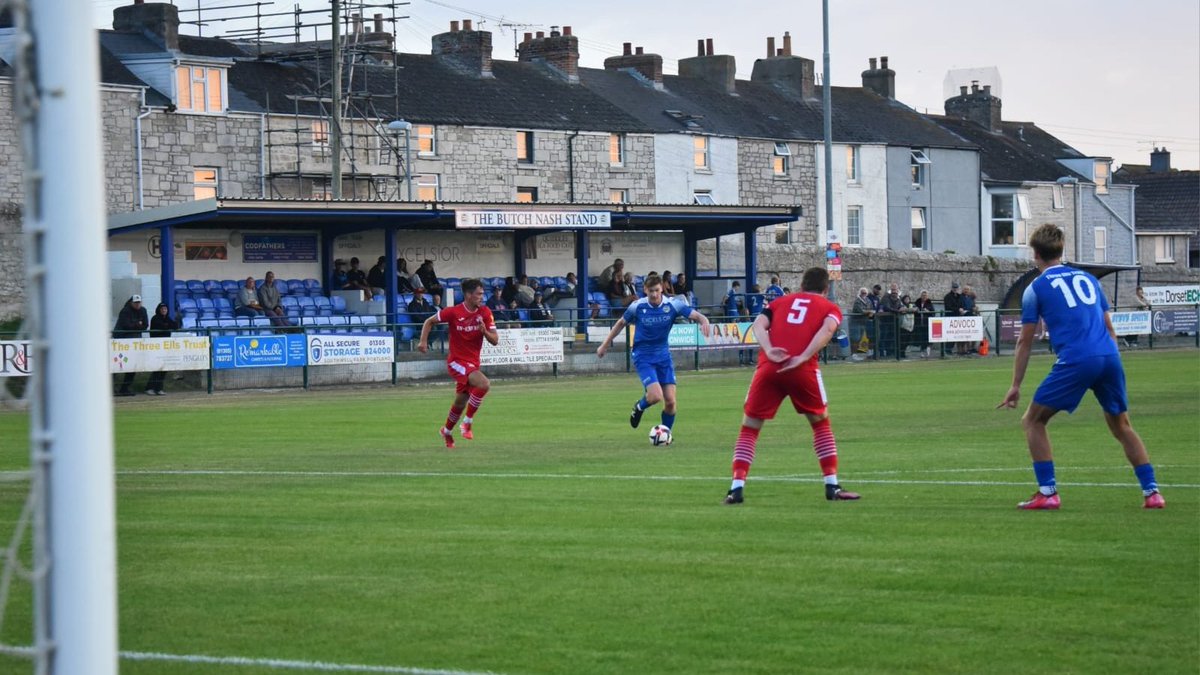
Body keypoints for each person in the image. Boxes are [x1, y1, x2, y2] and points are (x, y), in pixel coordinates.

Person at [997, 223, 1164, 510]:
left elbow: (1025, 341)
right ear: (1061, 250)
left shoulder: (1035, 288)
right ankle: (1152, 493)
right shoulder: (1089, 279)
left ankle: (1048, 493)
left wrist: (1015, 385)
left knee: (1033, 420)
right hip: (1109, 356)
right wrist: (1110, 362)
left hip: (1077, 359)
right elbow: (1109, 327)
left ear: (1035, 254)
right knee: (1122, 425)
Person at [722, 267, 860, 505]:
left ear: (801, 286)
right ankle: (832, 485)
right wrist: (804, 356)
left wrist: (769, 349)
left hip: (769, 367)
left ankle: (736, 489)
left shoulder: (779, 302)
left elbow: (758, 325)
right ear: (825, 289)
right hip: (802, 369)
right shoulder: (829, 307)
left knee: (750, 427)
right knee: (820, 423)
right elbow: (828, 329)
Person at [596, 273, 711, 437]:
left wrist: (704, 320)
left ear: (662, 289)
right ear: (645, 290)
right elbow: (621, 323)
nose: (654, 294)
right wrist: (604, 345)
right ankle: (639, 407)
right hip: (643, 356)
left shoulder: (672, 305)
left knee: (671, 402)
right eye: (651, 291)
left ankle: (666, 434)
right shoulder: (637, 306)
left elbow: (696, 315)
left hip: (663, 357)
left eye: (657, 290)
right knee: (656, 396)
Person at [418, 279, 499, 449]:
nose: (482, 297)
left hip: (473, 363)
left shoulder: (485, 312)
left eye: (482, 294)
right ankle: (467, 423)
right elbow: (429, 321)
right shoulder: (453, 312)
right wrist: (423, 341)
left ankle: (446, 431)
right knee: (484, 384)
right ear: (468, 295)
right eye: (478, 294)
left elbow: (495, 340)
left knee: (460, 402)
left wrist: (484, 332)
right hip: (457, 362)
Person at [113, 295, 149, 396]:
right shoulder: (125, 311)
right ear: (131, 303)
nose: (137, 304)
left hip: (134, 342)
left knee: (133, 365)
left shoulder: (143, 310)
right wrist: (138, 324)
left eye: (139, 302)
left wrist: (136, 325)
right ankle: (111, 387)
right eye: (135, 303)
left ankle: (125, 388)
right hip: (121, 342)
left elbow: (145, 325)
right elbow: (126, 325)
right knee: (117, 364)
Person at [145, 302, 178, 395]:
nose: (164, 310)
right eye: (162, 309)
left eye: (165, 309)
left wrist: (168, 325)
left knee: (164, 368)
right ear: (159, 310)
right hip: (156, 346)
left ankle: (159, 388)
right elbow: (161, 326)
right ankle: (150, 388)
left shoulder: (167, 318)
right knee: (157, 368)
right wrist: (167, 326)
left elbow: (175, 326)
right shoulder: (155, 318)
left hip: (165, 346)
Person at [943, 281, 967, 355]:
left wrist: (962, 309)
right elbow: (948, 307)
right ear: (952, 288)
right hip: (950, 318)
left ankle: (954, 350)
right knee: (950, 334)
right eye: (954, 287)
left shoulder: (960, 296)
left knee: (956, 334)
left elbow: (962, 304)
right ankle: (948, 349)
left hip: (958, 318)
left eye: (956, 287)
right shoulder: (947, 296)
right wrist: (958, 309)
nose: (955, 289)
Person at [912, 290, 935, 358]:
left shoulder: (929, 303)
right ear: (921, 296)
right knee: (921, 338)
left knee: (927, 337)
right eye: (923, 295)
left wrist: (928, 311)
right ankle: (922, 351)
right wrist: (915, 310)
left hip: (927, 323)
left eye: (925, 295)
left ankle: (928, 350)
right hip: (919, 323)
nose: (924, 297)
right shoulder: (917, 302)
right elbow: (914, 310)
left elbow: (933, 313)